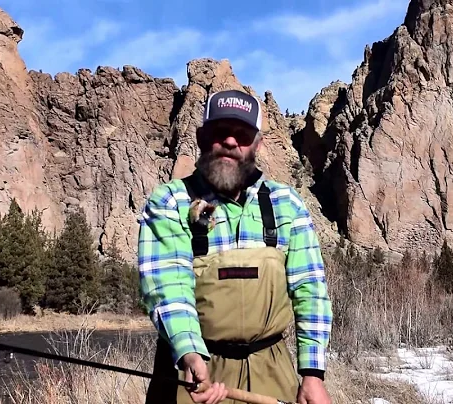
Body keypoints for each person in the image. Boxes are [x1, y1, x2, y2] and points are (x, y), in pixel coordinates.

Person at [137, 88, 333, 404]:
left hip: (271, 369)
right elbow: (168, 285)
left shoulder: (288, 204)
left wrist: (313, 374)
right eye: (221, 132)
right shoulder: (170, 201)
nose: (231, 142)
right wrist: (188, 350)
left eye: (242, 135)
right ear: (202, 137)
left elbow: (309, 289)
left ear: (257, 144)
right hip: (193, 372)